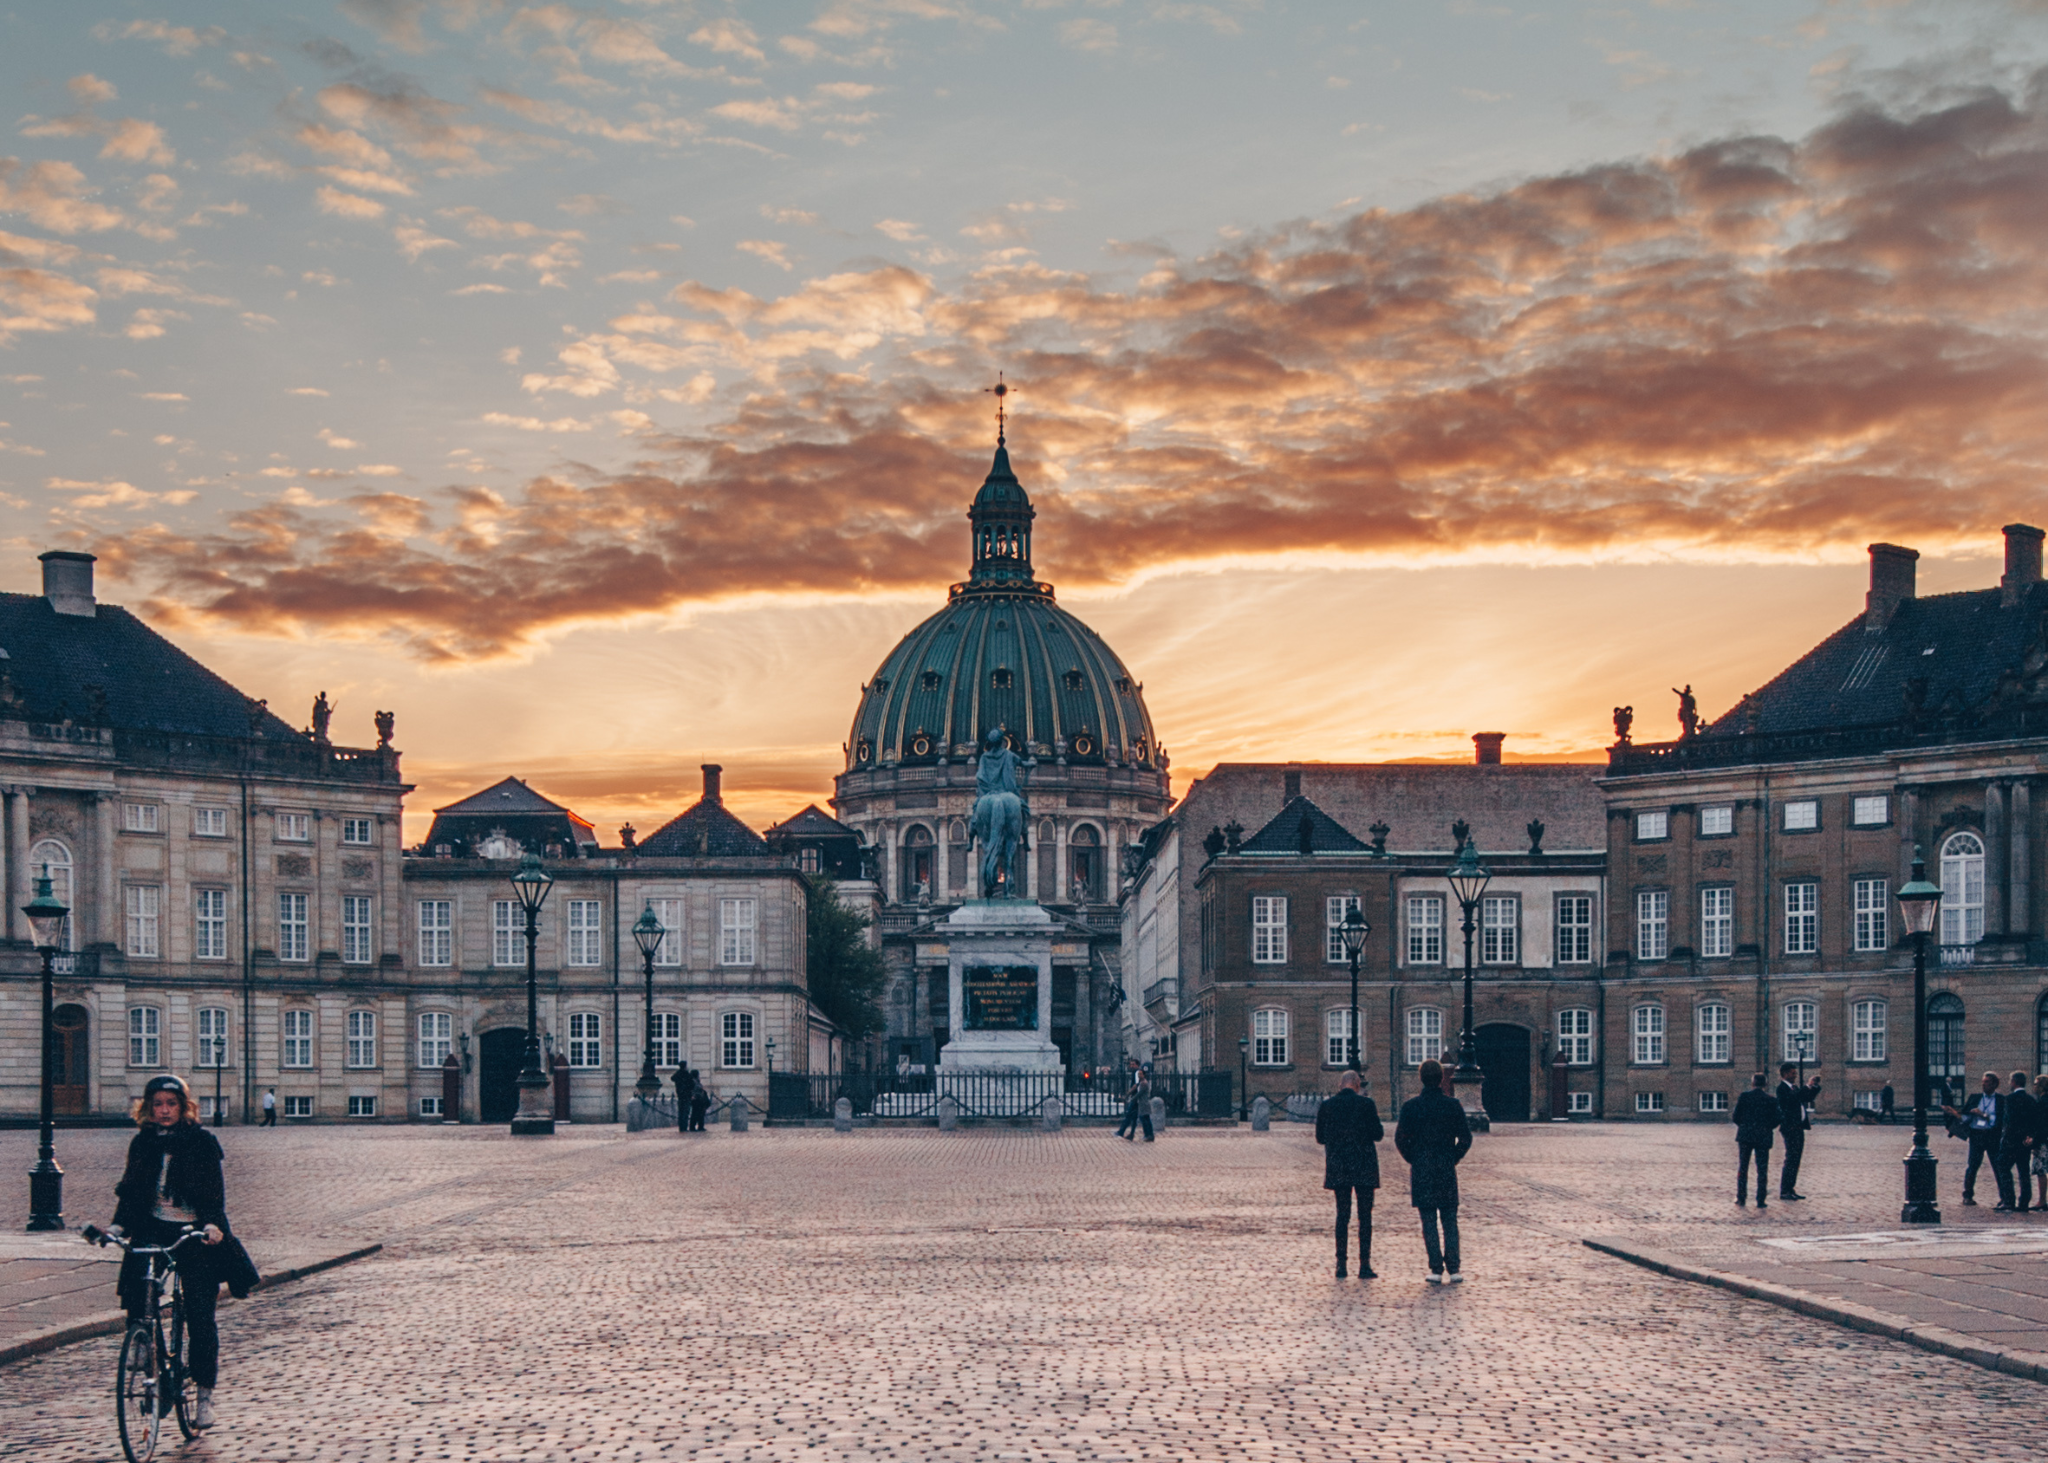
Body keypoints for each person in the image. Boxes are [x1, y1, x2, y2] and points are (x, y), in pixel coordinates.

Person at [109, 1075, 258, 1434]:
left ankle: (204, 1395)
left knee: (199, 1313)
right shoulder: (143, 1142)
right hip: (154, 1225)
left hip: (194, 1230)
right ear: (148, 1108)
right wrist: (117, 1227)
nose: (164, 1111)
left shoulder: (202, 1142)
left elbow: (213, 1191)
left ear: (183, 1107)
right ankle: (148, 1353)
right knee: (136, 1285)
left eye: (171, 1104)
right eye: (157, 1104)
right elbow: (131, 1190)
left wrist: (212, 1224)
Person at [1394, 1059, 1472, 1284]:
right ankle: (1455, 1268)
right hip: (1445, 1167)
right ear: (1441, 1078)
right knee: (1449, 1219)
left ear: (1421, 1078)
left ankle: (1436, 1268)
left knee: (1428, 1220)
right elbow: (1466, 1137)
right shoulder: (1452, 1105)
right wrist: (1453, 1157)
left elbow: (1400, 1139)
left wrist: (1414, 1158)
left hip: (1422, 1169)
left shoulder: (1411, 1107)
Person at [1315, 1070, 1383, 1278]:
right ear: (1357, 1084)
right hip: (1364, 1165)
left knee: (1342, 1215)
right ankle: (1364, 1264)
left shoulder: (1327, 1106)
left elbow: (1320, 1137)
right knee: (1365, 1217)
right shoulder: (1366, 1104)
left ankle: (1341, 1264)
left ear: (1340, 1084)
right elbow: (1378, 1134)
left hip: (1339, 1165)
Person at [1944, 1072, 2010, 1208]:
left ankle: (2004, 1197)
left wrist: (1983, 1115)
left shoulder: (2001, 1100)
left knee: (1998, 1167)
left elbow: (2000, 1120)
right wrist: (1955, 1114)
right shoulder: (1975, 1098)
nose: (1983, 1084)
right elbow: (1966, 1118)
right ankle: (1967, 1196)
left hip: (1992, 1136)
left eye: (1987, 1082)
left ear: (1994, 1084)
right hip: (1976, 1136)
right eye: (1983, 1081)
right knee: (1972, 1166)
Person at [1775, 1063, 1822, 1200]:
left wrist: (1813, 1087)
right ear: (1784, 1074)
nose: (1795, 1075)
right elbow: (1792, 1100)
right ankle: (1785, 1190)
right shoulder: (1782, 1089)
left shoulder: (1794, 1088)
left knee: (1796, 1159)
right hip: (1790, 1128)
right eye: (1792, 1073)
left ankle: (1791, 1188)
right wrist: (1807, 1086)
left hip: (1799, 1127)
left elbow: (1807, 1098)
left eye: (1795, 1073)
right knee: (1791, 1159)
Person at [1732, 1072, 1777, 1208]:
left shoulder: (1744, 1097)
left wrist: (1745, 1126)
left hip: (1745, 1136)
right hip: (1763, 1136)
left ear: (1753, 1083)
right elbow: (1778, 1118)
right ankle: (1761, 1199)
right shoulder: (1771, 1099)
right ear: (1765, 1084)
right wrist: (1767, 1127)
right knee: (1762, 1169)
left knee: (1743, 1167)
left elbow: (1736, 1116)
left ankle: (1741, 1197)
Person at [2001, 1072, 2035, 1214]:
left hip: (2011, 1140)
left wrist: (2005, 1137)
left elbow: (2009, 1120)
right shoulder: (2030, 1100)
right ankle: (2024, 1202)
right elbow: (2034, 1121)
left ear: (2014, 1082)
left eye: (2010, 1081)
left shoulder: (2009, 1099)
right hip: (2024, 1141)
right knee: (2023, 1171)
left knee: (2003, 1167)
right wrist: (2029, 1135)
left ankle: (2009, 1200)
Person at [1119, 1070, 1154, 1142]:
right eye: (1138, 1074)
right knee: (1145, 1119)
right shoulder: (1140, 1083)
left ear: (1144, 1075)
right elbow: (1134, 1088)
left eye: (1141, 1074)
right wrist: (1127, 1094)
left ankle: (1149, 1135)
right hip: (1141, 1104)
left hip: (1144, 1104)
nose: (1139, 1075)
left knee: (1145, 1120)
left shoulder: (1144, 1083)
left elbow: (1139, 1094)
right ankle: (1147, 1135)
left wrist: (1131, 1099)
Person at [2030, 1075, 2048, 1212]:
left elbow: (2041, 1125)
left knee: (2041, 1171)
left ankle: (2042, 1201)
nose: (2034, 1086)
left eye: (2036, 1084)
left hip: (2043, 1142)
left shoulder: (2042, 1102)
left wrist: (2034, 1142)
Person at [671, 1064, 691, 1134]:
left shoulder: (678, 1074)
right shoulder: (686, 1074)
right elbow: (692, 1083)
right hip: (686, 1095)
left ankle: (681, 1127)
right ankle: (684, 1127)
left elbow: (672, 1078)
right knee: (685, 1111)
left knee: (681, 1111)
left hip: (680, 1095)